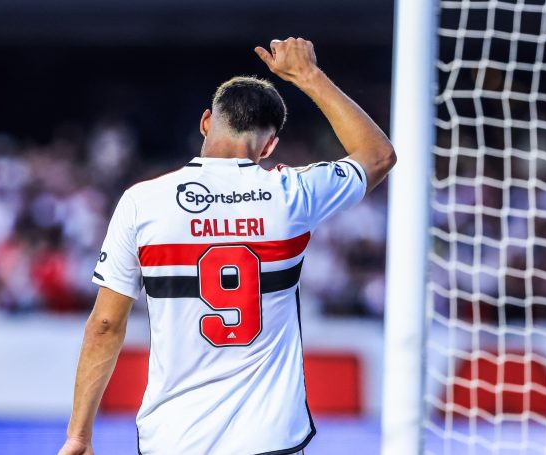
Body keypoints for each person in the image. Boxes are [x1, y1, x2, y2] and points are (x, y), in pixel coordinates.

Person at [58, 37, 396, 455]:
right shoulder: (291, 193)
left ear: (205, 123)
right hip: (270, 439)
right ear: (270, 146)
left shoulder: (143, 202)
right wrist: (308, 76)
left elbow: (105, 325)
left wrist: (79, 435)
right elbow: (378, 155)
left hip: (175, 438)